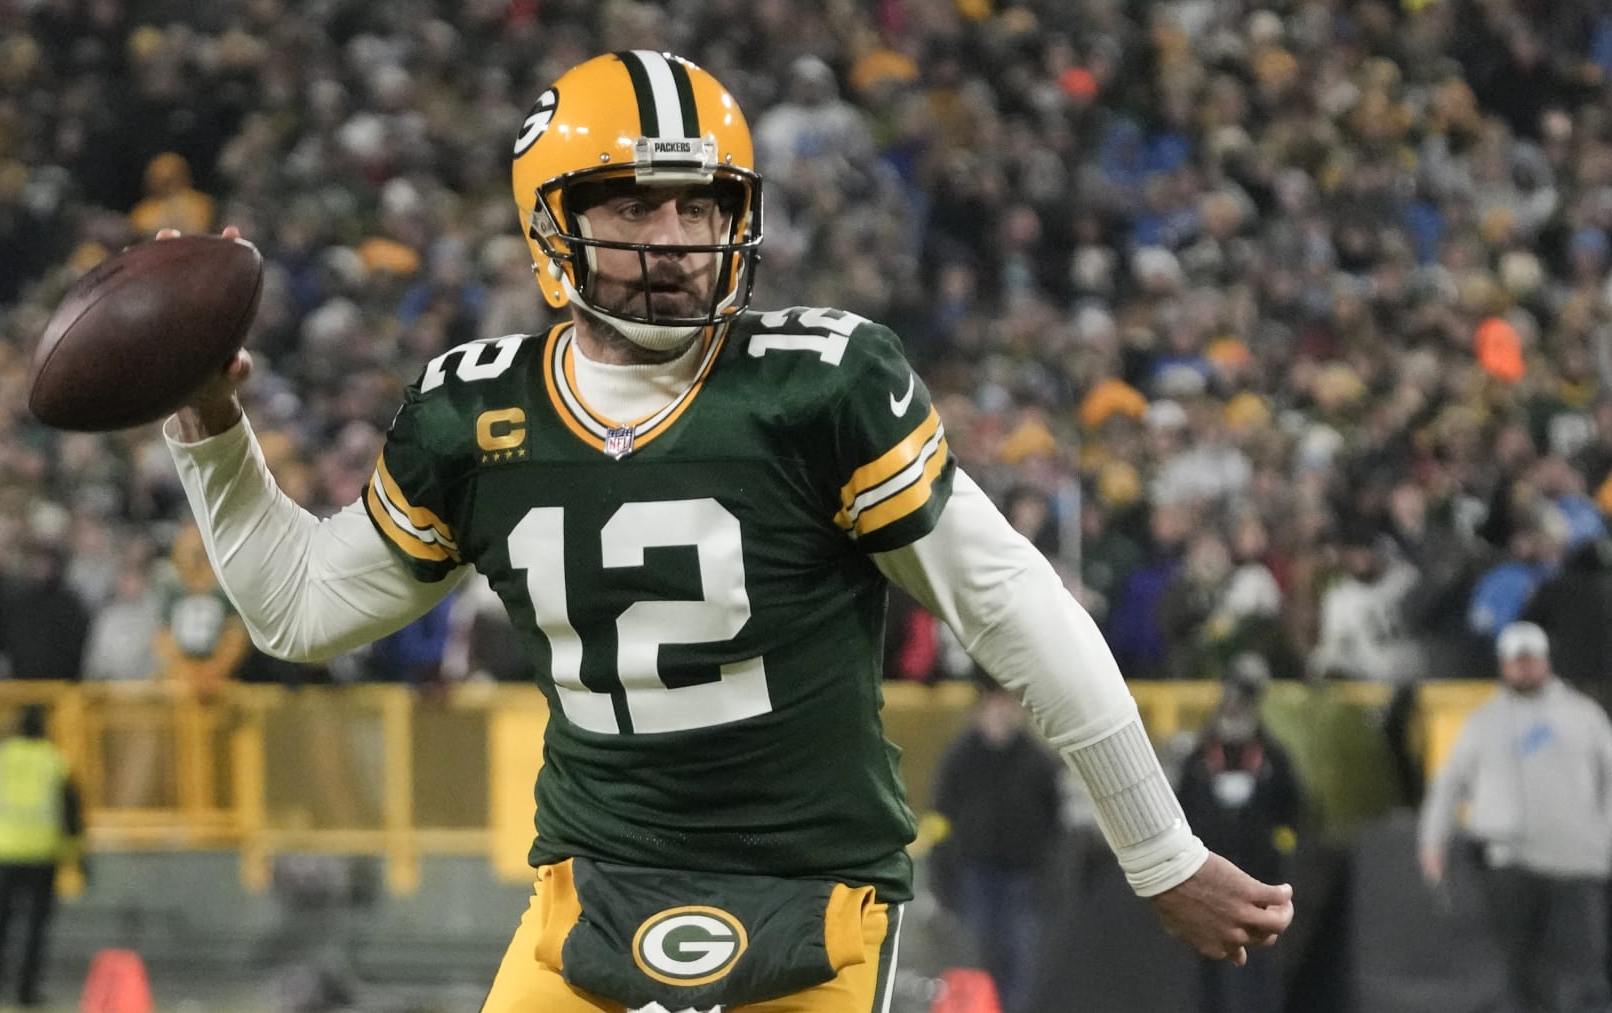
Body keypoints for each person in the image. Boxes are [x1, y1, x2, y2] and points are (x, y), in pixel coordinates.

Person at [161, 51, 1292, 1012]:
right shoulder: (474, 412)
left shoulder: (821, 386)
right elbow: (299, 607)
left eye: (701, 206)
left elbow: (1016, 605)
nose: (678, 239)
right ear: (554, 223)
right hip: (588, 888)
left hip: (812, 894)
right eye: (637, 205)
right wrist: (211, 423)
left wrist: (1159, 849)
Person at [1419, 621, 1612, 1013]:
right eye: (1514, 660)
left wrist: (1604, 839)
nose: (1522, 668)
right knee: (1516, 973)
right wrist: (1431, 841)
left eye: (1529, 659)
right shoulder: (1483, 721)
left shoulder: (1585, 715)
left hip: (1577, 864)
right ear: (1503, 664)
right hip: (1509, 863)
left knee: (1583, 970)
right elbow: (1448, 784)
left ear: (1545, 660)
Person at [928, 683, 1062, 1013]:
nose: (1002, 712)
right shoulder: (959, 758)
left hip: (1024, 880)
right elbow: (941, 819)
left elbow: (1055, 825)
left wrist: (1049, 876)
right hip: (975, 877)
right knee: (975, 963)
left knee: (1020, 964)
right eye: (994, 703)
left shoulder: (1038, 761)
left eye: (1009, 703)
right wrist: (942, 876)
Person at [1177, 672, 1302, 1013]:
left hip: (1257, 875)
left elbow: (1293, 809)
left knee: (1259, 960)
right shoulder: (1200, 758)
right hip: (1207, 876)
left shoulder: (1272, 757)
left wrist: (1278, 847)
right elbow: (1179, 809)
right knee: (1211, 957)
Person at [0, 704, 86, 1008]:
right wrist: (79, 857)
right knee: (35, 928)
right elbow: (72, 812)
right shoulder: (54, 760)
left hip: (2, 851)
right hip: (42, 853)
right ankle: (26, 991)